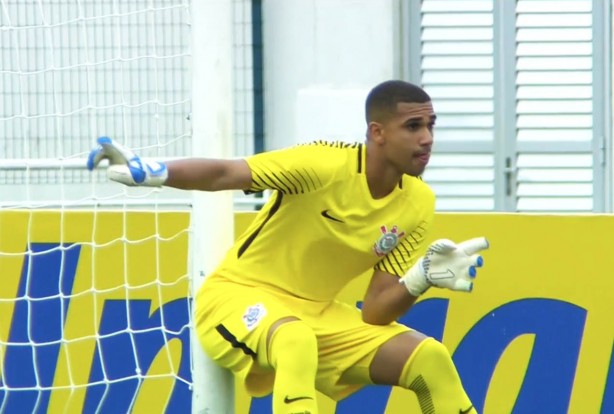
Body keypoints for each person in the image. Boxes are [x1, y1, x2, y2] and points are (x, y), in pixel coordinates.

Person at [87, 80, 488, 414]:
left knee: (430, 358)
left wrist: (418, 280)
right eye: (413, 126)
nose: (427, 138)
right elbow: (227, 172)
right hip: (235, 298)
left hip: (316, 316)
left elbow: (377, 312)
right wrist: (153, 172)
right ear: (377, 132)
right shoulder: (321, 166)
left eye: (431, 125)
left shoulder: (419, 203)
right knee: (295, 340)